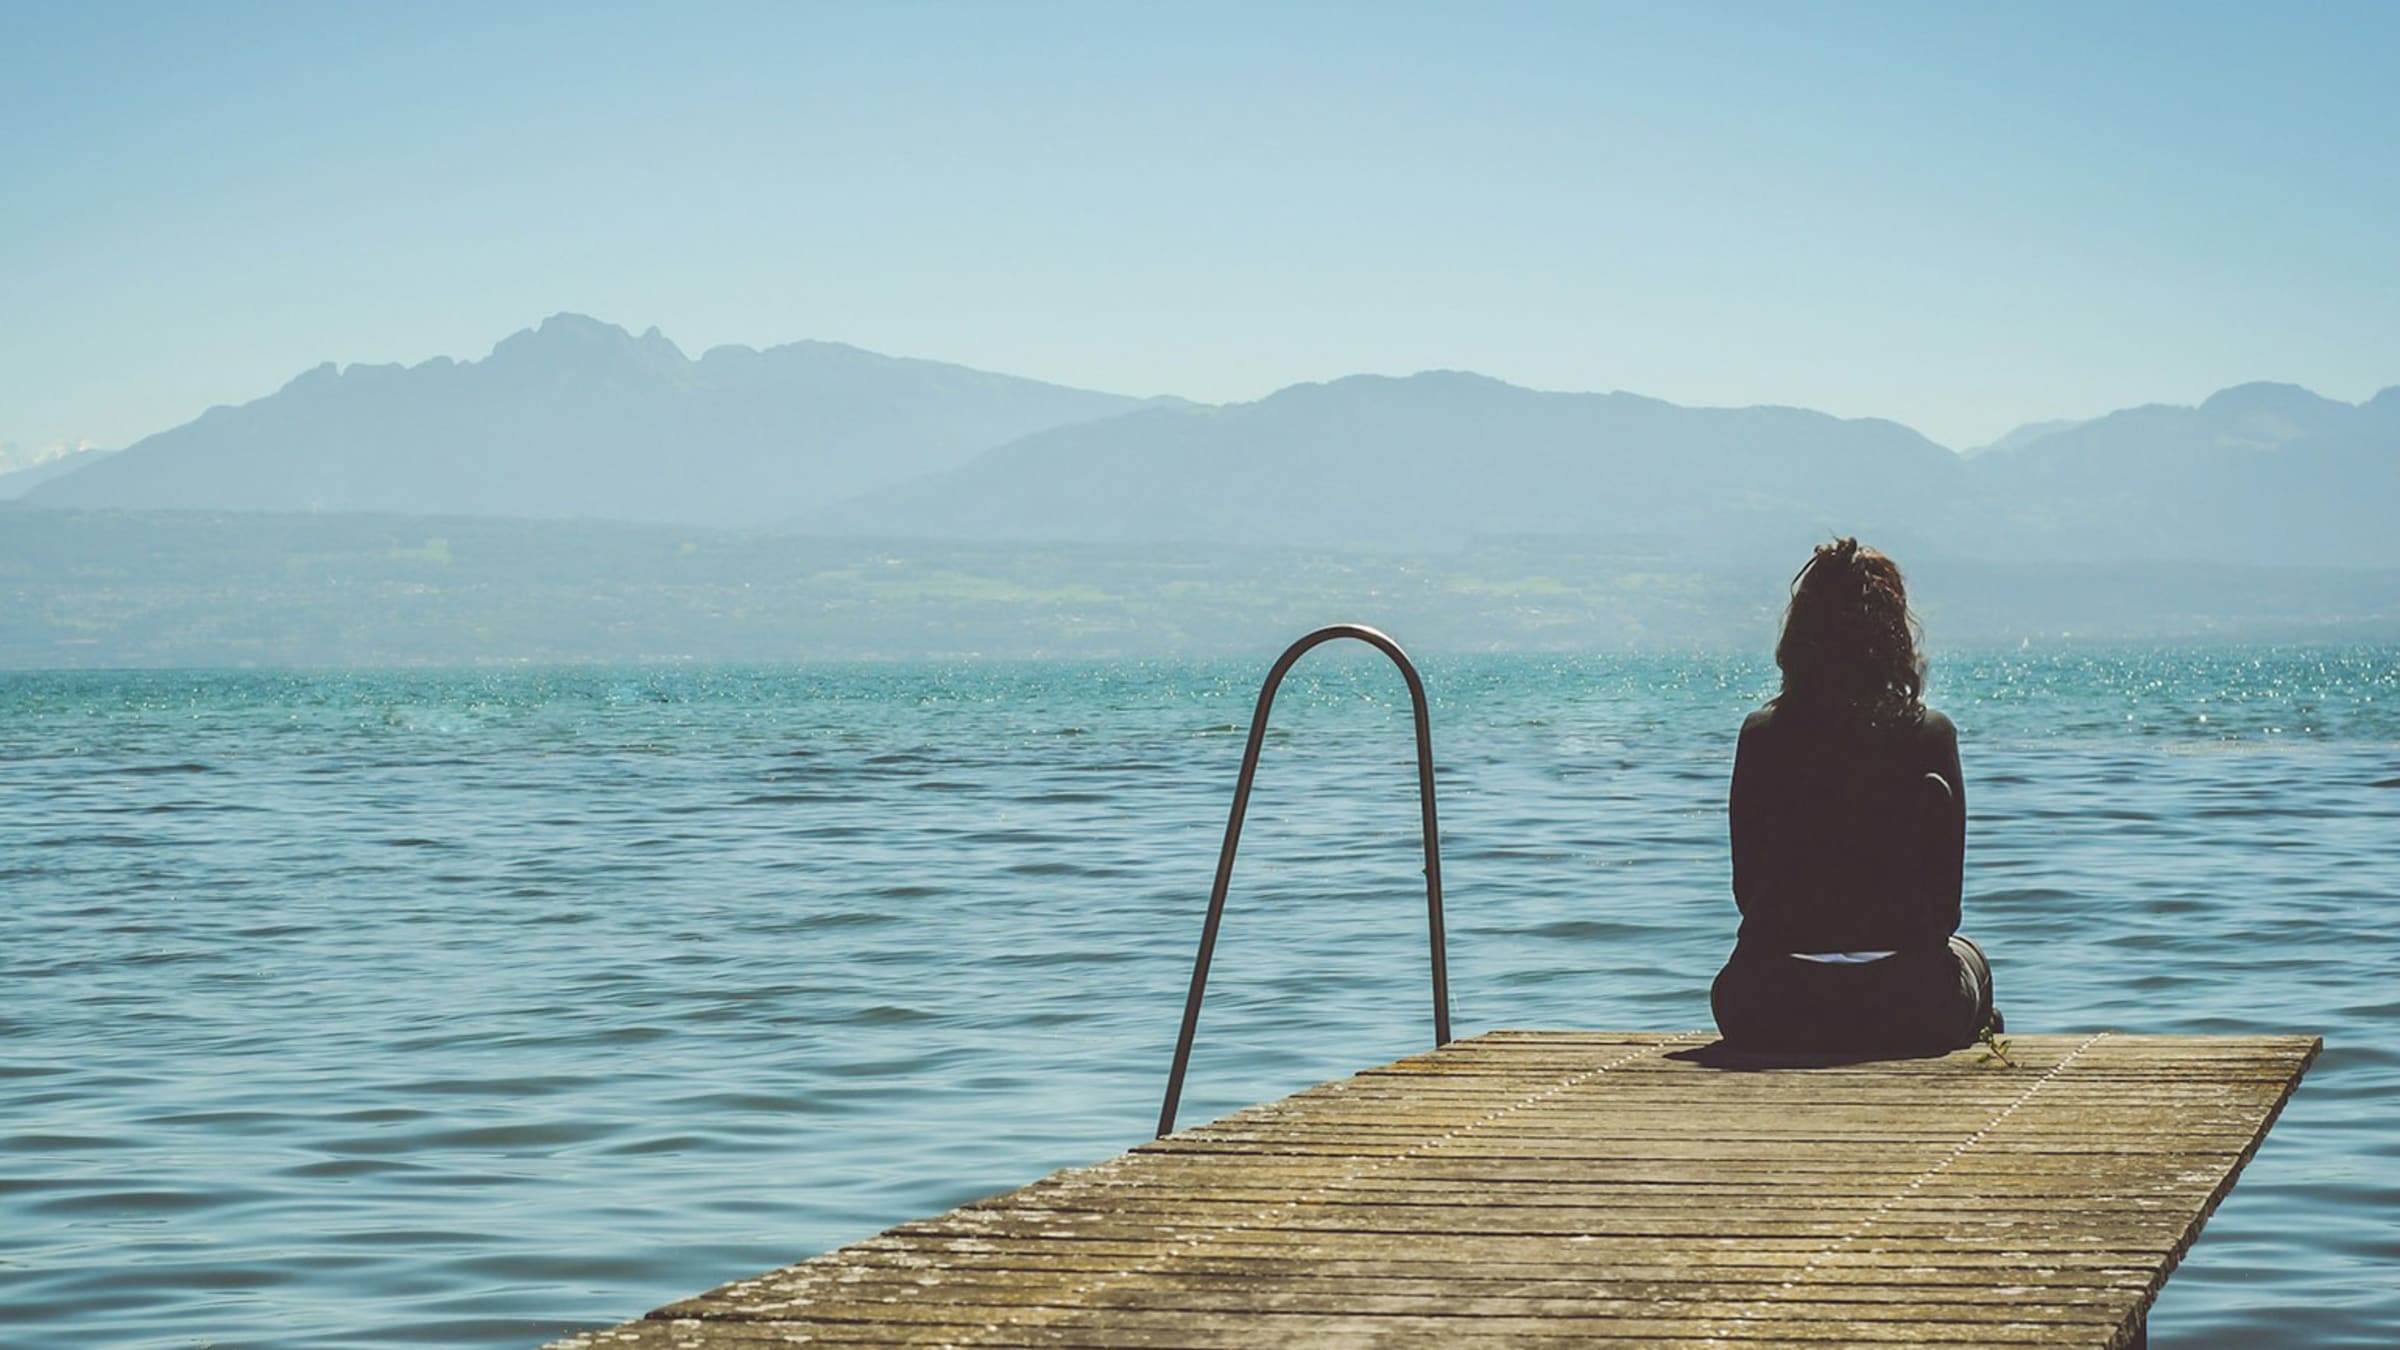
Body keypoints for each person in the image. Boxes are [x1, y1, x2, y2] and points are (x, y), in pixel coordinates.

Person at [1710, 537, 2000, 1054]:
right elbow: (1946, 912)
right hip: (1911, 1005)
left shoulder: (1762, 736)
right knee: (1970, 956)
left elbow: (1746, 893)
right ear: (1895, 637)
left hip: (1771, 1004)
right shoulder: (1930, 735)